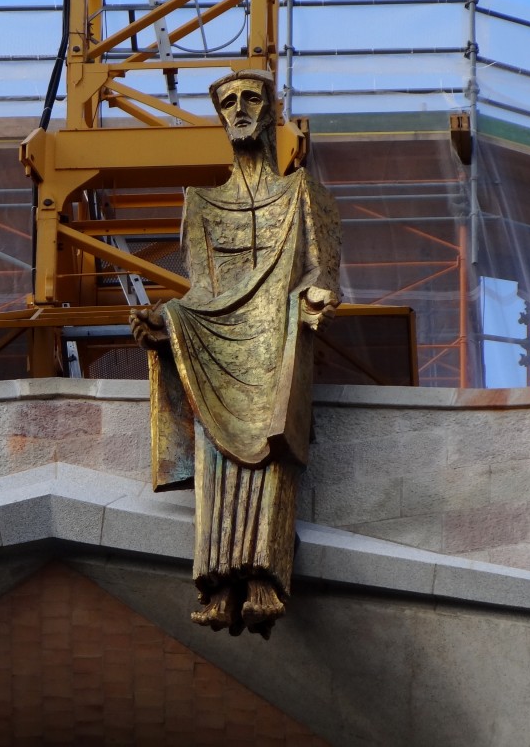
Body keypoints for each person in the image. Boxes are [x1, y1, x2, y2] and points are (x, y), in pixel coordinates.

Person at [131, 70, 342, 638]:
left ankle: (264, 578)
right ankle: (217, 582)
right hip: (218, 340)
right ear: (220, 117)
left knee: (269, 450)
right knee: (216, 460)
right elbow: (201, 288)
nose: (240, 109)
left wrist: (320, 294)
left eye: (251, 99)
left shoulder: (303, 193)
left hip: (276, 338)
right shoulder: (200, 203)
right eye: (228, 103)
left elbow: (322, 266)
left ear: (272, 112)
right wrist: (166, 317)